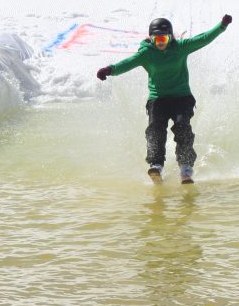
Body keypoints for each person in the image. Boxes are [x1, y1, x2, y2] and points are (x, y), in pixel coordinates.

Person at [96, 14, 232, 183]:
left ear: (170, 37)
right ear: (151, 39)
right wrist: (109, 70)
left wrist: (221, 26)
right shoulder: (146, 53)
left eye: (164, 39)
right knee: (155, 129)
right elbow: (128, 63)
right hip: (158, 99)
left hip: (182, 98)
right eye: (157, 40)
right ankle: (156, 165)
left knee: (183, 128)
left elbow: (202, 39)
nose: (161, 43)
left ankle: (186, 167)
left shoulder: (180, 47)